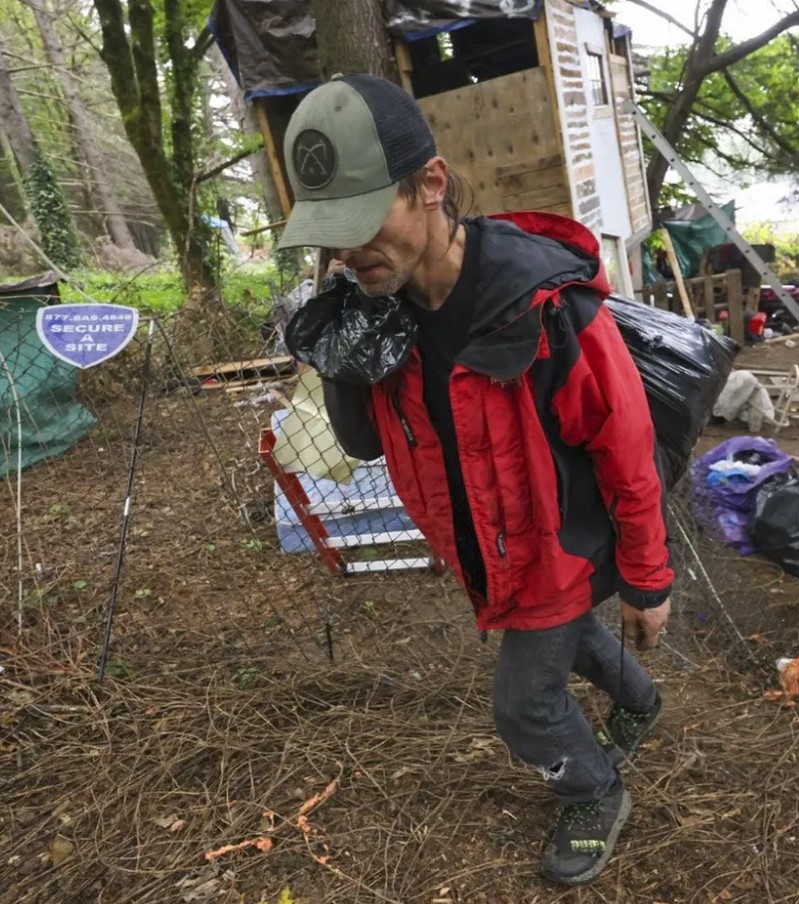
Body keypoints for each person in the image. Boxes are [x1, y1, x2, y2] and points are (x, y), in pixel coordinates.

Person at [278, 74, 673, 887]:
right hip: (485, 549)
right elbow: (364, 447)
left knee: (524, 705)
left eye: (361, 223)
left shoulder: (540, 302)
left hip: (555, 544)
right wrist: (343, 353)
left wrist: (647, 576)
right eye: (330, 235)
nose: (349, 253)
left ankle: (595, 792)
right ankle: (640, 700)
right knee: (567, 639)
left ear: (430, 184)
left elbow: (626, 443)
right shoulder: (379, 306)